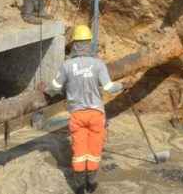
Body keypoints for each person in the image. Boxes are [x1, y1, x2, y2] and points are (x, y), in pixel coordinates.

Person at [41, 24, 123, 194]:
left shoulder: (67, 65)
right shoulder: (98, 64)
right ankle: (91, 184)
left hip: (77, 115)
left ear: (75, 44)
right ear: (89, 43)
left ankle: (78, 187)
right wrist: (123, 85)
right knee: (94, 150)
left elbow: (54, 87)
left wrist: (45, 90)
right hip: (96, 114)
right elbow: (109, 87)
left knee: (79, 151)